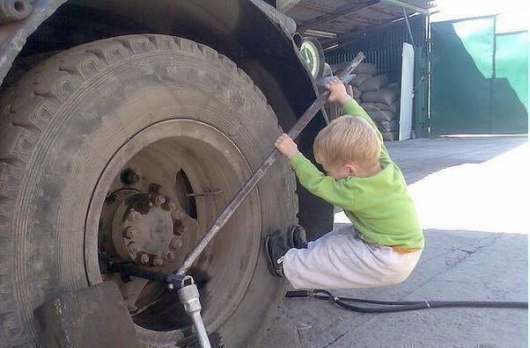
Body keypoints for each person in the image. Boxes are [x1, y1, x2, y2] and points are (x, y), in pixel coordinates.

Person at [266, 77, 424, 289]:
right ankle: (305, 252)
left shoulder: (356, 192)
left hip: (389, 259)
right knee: (337, 240)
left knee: (336, 255)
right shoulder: (383, 161)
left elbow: (317, 183)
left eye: (329, 170)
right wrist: (345, 99)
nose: (328, 174)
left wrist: (293, 155)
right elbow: (367, 125)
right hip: (391, 242)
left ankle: (285, 265)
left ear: (350, 170)